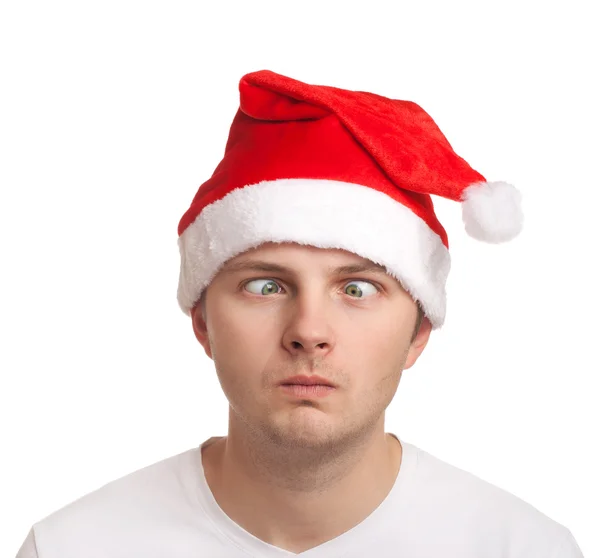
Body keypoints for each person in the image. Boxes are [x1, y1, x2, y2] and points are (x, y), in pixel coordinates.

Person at [16, 70, 584, 557]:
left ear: (418, 335)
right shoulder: (75, 547)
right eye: (266, 285)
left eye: (358, 289)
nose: (308, 332)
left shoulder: (524, 549)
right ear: (202, 323)